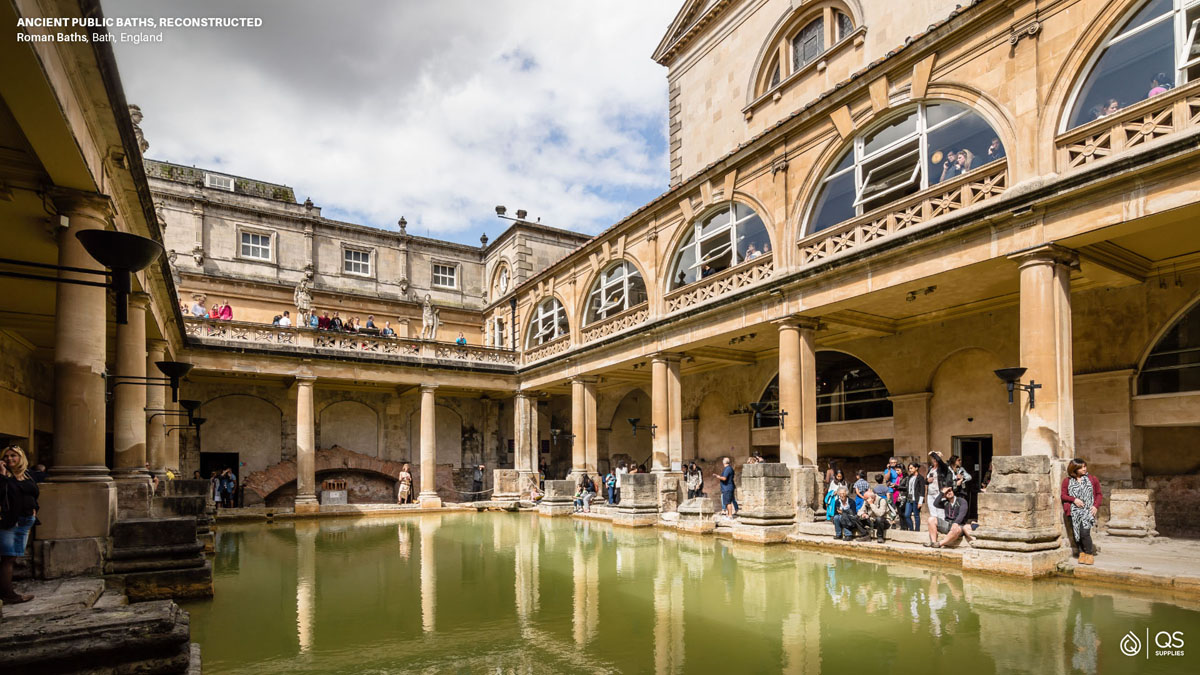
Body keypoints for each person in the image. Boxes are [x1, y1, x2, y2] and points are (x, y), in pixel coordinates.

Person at [0, 445, 38, 603]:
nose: (10, 459)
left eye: (13, 455)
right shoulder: (4, 477)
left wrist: (35, 510)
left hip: (26, 521)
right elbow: (3, 494)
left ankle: (7, 592)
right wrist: (2, 475)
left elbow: (34, 494)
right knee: (7, 558)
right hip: (10, 522)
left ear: (20, 457)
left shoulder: (27, 475)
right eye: (7, 456)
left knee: (13, 557)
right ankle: (8, 595)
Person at [1062, 458, 1103, 565]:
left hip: (1088, 510)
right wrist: (1074, 499)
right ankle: (1081, 553)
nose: (1084, 469)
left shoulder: (1092, 479)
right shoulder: (1067, 481)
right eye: (1081, 467)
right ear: (1074, 469)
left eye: (1085, 466)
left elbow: (1099, 494)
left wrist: (1095, 506)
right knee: (1077, 533)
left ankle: (1089, 554)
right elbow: (1063, 495)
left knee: (1085, 533)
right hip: (1074, 511)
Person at [925, 484, 969, 548]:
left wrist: (956, 523)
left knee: (956, 529)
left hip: (959, 526)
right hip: (947, 525)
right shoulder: (945, 502)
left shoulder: (962, 501)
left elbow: (962, 514)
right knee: (931, 519)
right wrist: (942, 493)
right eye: (946, 492)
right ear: (944, 496)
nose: (949, 493)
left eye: (950, 490)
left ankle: (939, 544)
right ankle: (933, 542)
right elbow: (935, 503)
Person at [901, 463, 926, 531]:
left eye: (911, 468)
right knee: (907, 515)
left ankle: (917, 529)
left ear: (916, 468)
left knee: (916, 515)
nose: (910, 470)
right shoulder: (910, 477)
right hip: (909, 498)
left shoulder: (920, 478)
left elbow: (922, 490)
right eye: (909, 468)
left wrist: (920, 502)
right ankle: (911, 528)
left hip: (916, 499)